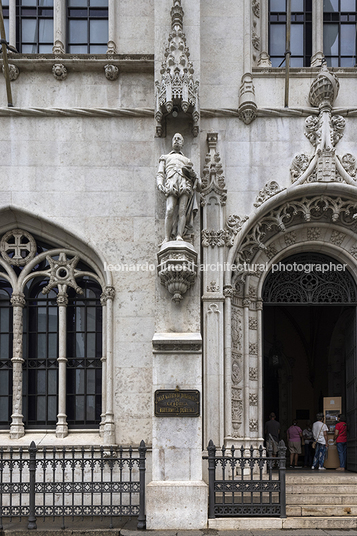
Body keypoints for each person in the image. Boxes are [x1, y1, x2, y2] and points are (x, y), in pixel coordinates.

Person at [156, 133, 201, 243]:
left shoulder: (187, 160)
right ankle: (166, 237)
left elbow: (194, 177)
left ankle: (179, 235)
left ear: (182, 143)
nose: (176, 140)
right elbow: (160, 173)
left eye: (179, 139)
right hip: (171, 182)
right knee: (170, 209)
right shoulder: (165, 157)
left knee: (182, 211)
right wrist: (160, 184)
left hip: (184, 183)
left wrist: (194, 176)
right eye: (174, 138)